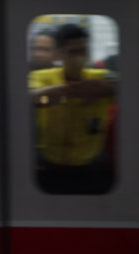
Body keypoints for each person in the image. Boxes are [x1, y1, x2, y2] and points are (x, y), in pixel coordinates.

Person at [29, 24, 116, 193]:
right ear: (60, 53)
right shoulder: (42, 77)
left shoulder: (99, 77)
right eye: (72, 52)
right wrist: (73, 90)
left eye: (83, 51)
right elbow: (32, 97)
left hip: (91, 170)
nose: (79, 57)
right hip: (49, 169)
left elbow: (124, 86)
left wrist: (106, 87)